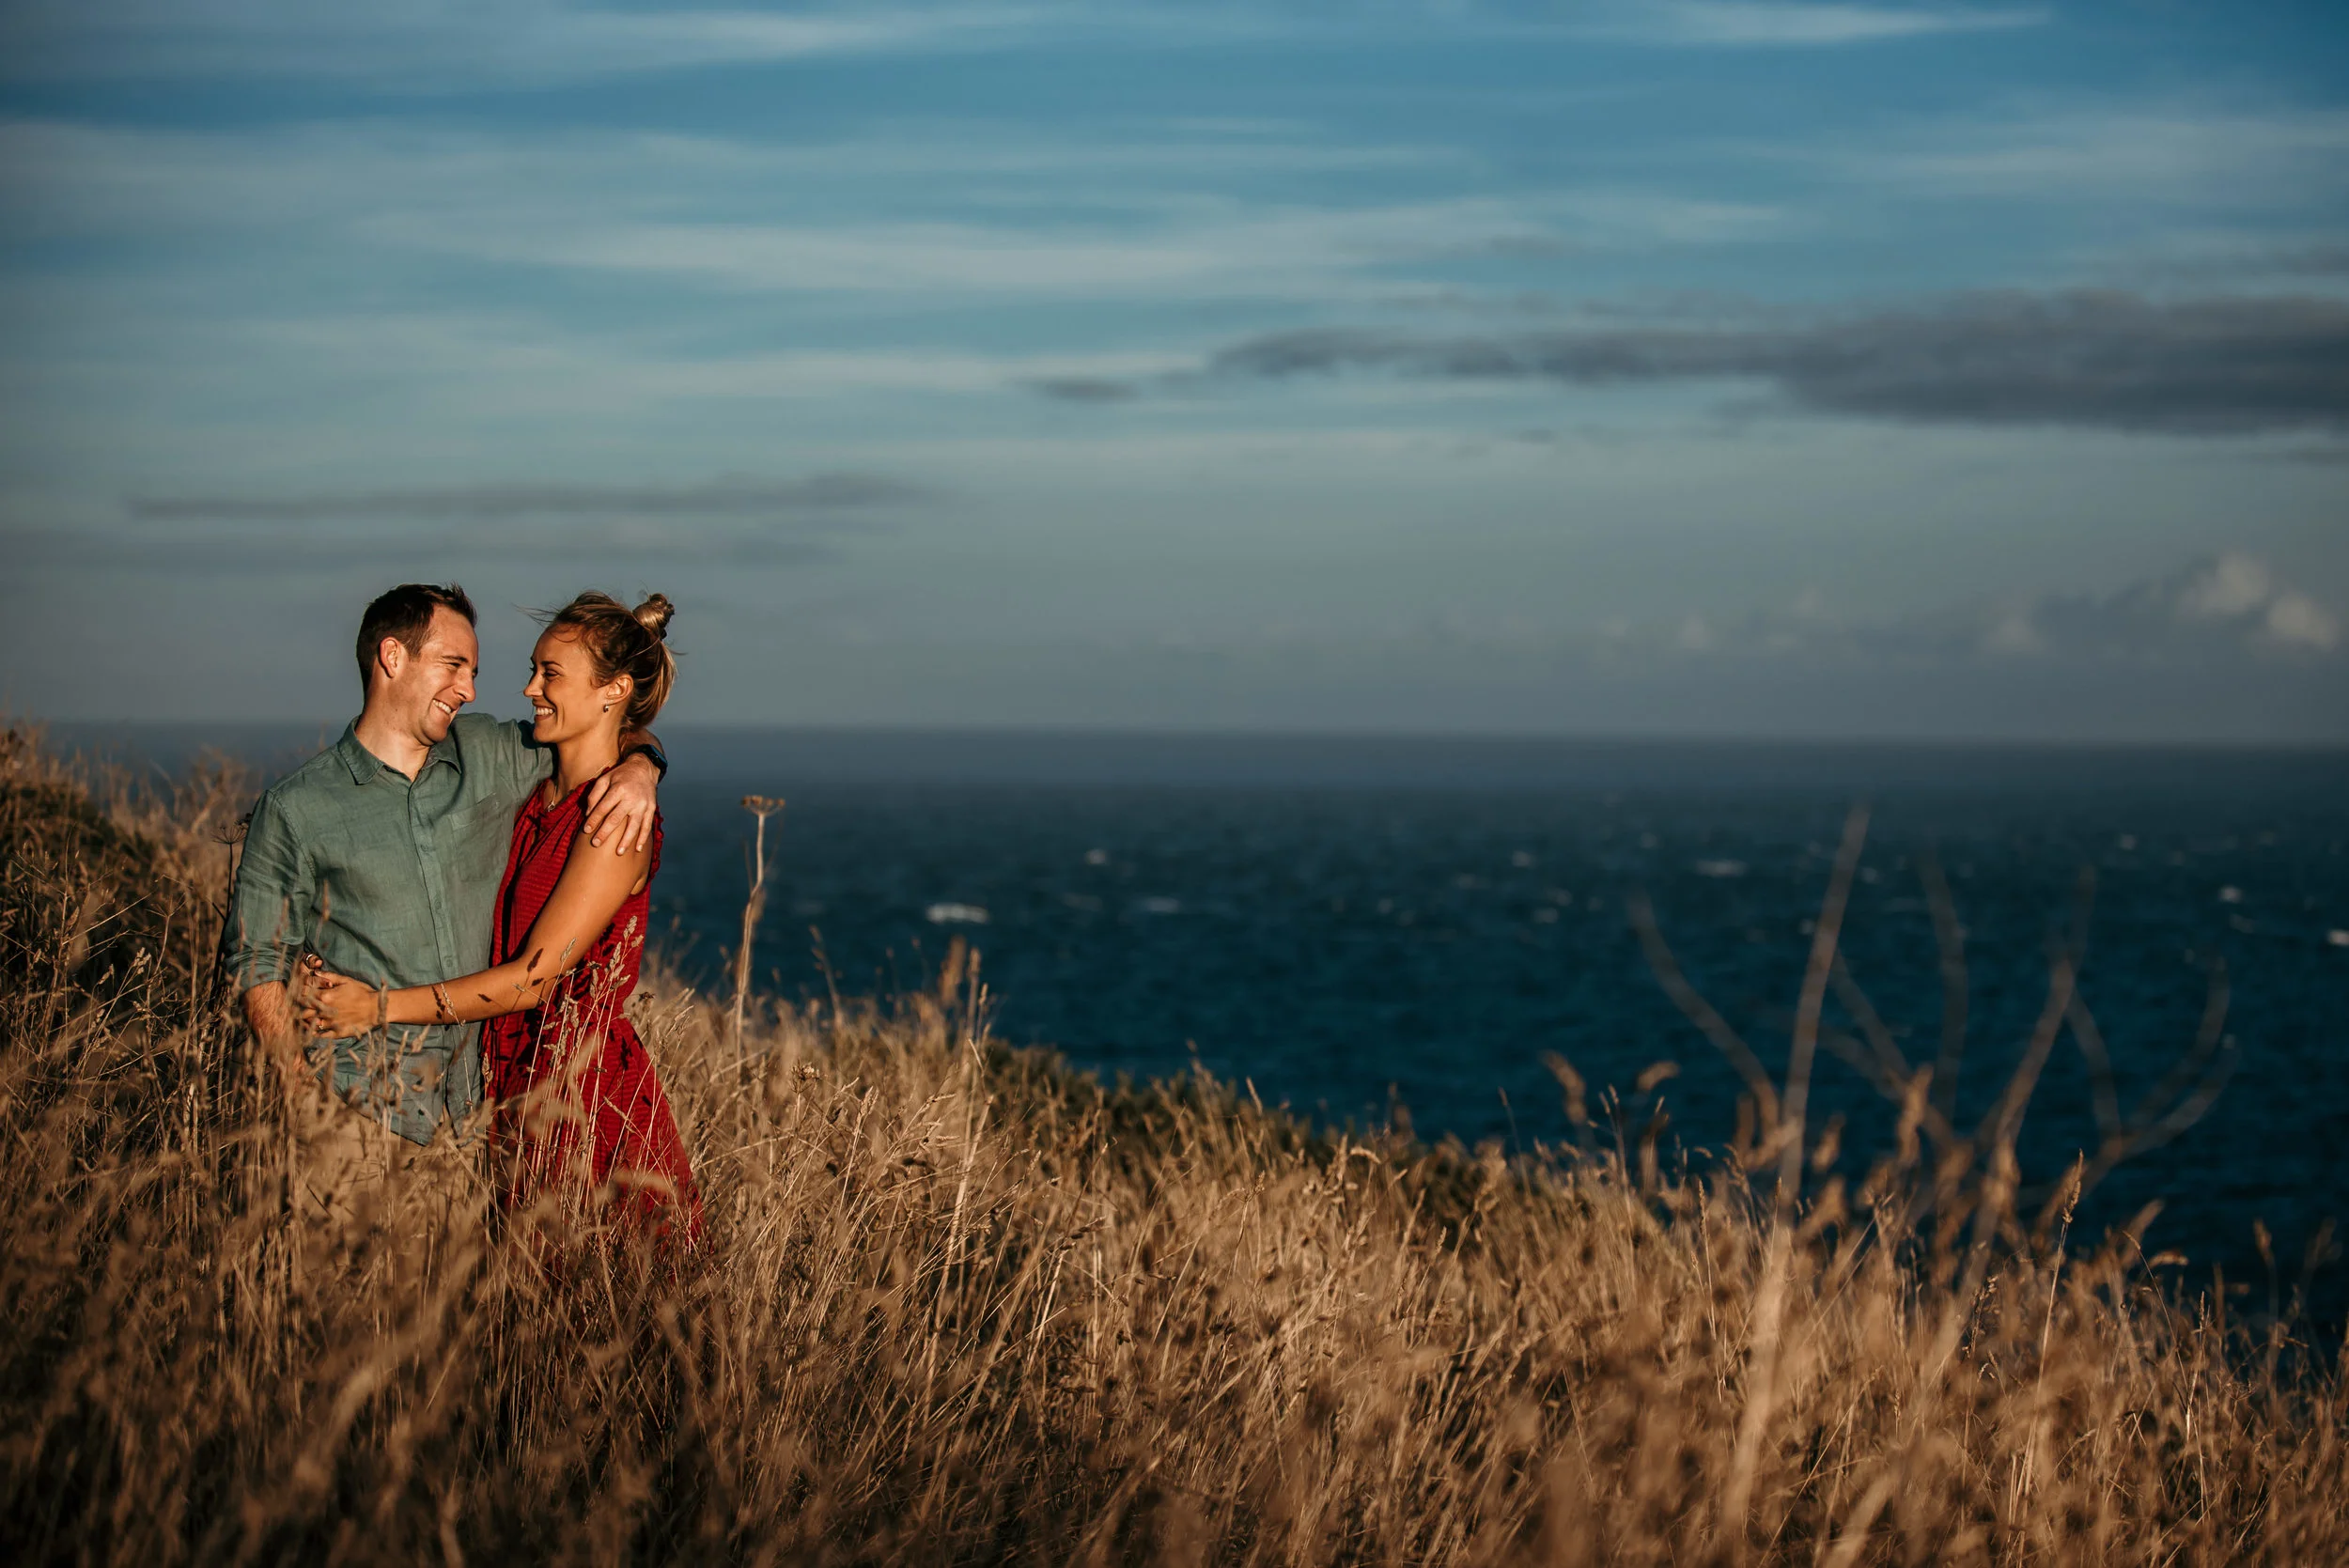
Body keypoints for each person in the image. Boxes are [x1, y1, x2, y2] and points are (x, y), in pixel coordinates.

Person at [221, 583, 664, 1229]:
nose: (472, 690)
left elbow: (601, 723)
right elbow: (255, 960)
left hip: (474, 1128)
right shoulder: (294, 807)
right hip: (352, 1117)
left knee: (452, 1327)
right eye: (454, 666)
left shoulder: (492, 754)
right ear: (392, 657)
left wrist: (642, 766)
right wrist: (302, 1095)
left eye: (476, 672)